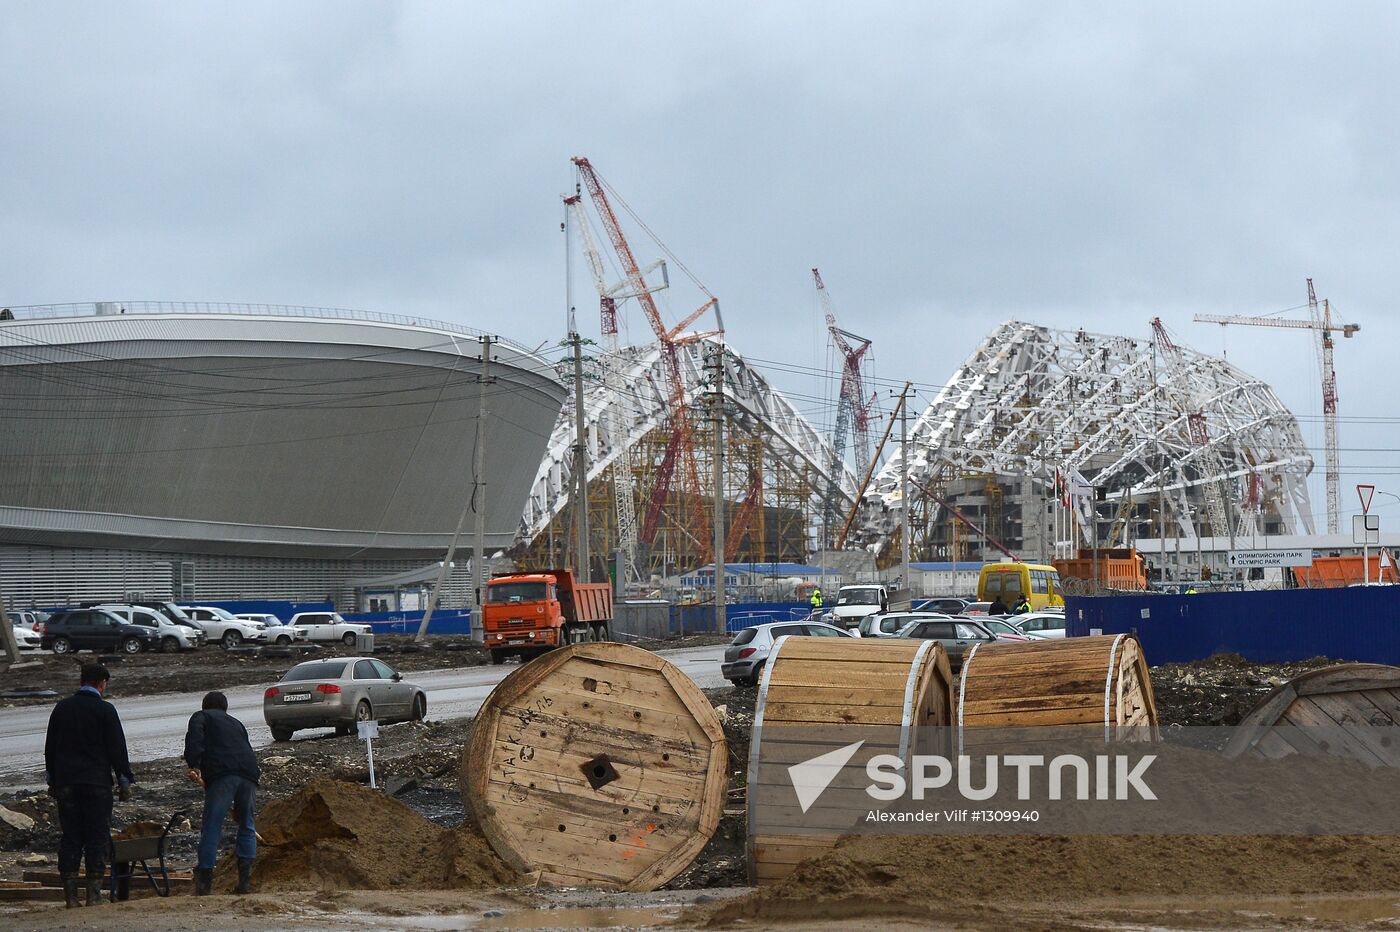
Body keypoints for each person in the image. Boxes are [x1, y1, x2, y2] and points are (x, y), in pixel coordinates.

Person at [44, 663, 134, 908]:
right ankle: (93, 896)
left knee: (71, 836)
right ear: (102, 683)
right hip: (96, 783)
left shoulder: (62, 708)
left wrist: (53, 780)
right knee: (97, 836)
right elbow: (117, 747)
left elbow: (50, 747)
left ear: (82, 680)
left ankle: (71, 898)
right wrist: (124, 780)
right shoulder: (105, 710)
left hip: (67, 784)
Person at [184, 691, 259, 896]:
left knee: (212, 827)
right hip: (249, 774)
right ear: (225, 708)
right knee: (247, 825)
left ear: (204, 706)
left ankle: (204, 884)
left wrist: (194, 765)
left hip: (222, 775)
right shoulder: (236, 723)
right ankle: (245, 883)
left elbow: (195, 738)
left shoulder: (201, 716)